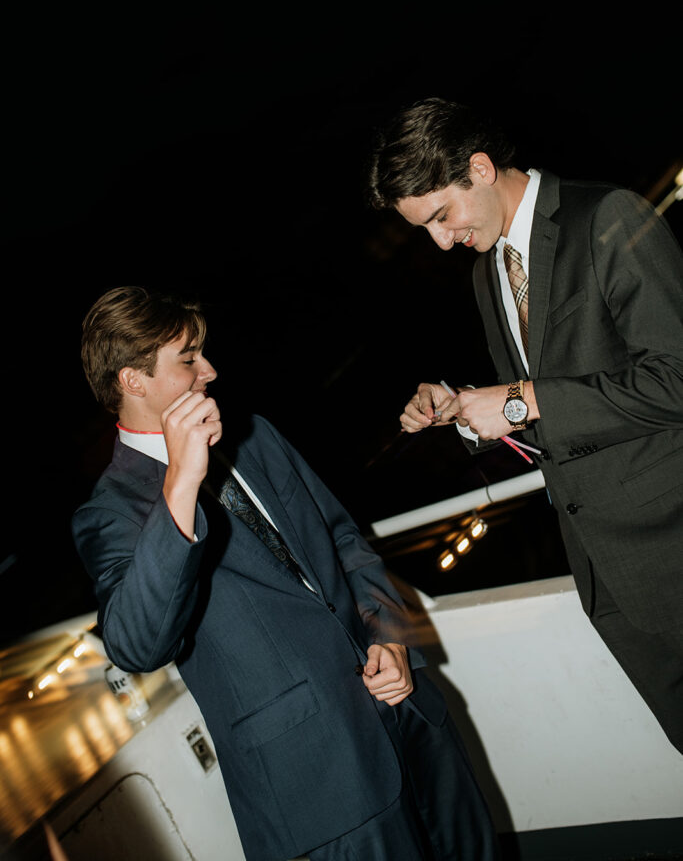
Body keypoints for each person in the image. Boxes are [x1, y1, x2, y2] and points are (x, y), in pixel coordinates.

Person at [73, 286, 498, 861]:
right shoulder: (110, 511)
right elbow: (136, 645)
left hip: (411, 721)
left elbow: (346, 543)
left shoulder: (255, 435)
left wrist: (391, 638)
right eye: (189, 359)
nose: (210, 371)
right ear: (133, 380)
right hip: (320, 789)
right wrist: (180, 485)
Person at [367, 97, 683, 754]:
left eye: (440, 216)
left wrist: (519, 400)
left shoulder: (607, 215)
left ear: (479, 169)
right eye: (422, 227)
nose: (440, 240)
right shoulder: (489, 275)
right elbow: (553, 418)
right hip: (607, 575)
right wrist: (463, 410)